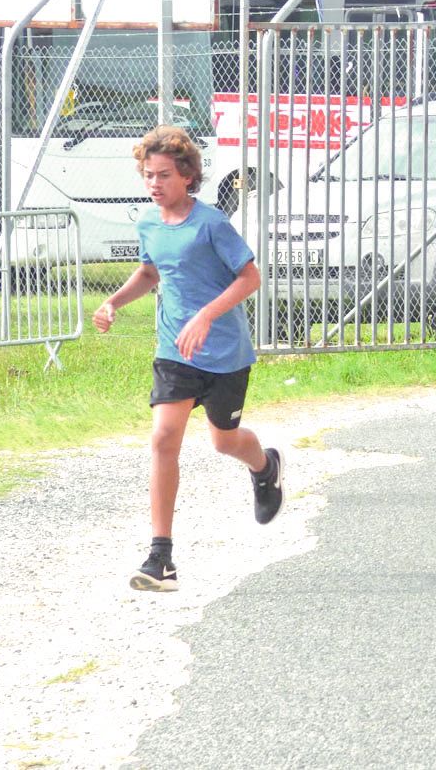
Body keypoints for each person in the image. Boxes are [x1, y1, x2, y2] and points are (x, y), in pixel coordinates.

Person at [92, 125, 282, 593]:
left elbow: (250, 277)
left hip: (224, 353)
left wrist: (206, 315)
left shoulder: (212, 223)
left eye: (163, 175)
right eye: (147, 175)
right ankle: (161, 558)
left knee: (224, 441)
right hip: (174, 351)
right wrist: (114, 302)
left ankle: (265, 467)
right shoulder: (148, 224)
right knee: (163, 438)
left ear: (187, 177)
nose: (154, 184)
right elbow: (151, 271)